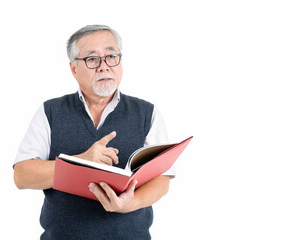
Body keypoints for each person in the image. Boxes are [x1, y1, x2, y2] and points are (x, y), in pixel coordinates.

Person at [13, 25, 175, 240]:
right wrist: (80, 161)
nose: (104, 66)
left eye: (111, 56)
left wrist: (128, 204)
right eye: (92, 59)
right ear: (73, 69)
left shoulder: (147, 113)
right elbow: (22, 175)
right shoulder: (50, 111)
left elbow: (162, 179)